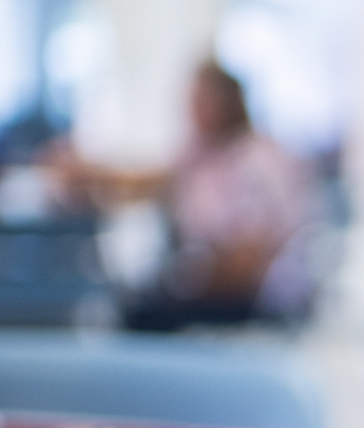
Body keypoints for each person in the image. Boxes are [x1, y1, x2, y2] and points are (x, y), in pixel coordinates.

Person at [48, 62, 310, 329]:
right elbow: (146, 183)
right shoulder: (200, 156)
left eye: (201, 102)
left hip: (255, 301)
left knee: (145, 318)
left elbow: (246, 264)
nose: (193, 112)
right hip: (206, 285)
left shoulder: (259, 161)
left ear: (229, 103)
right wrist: (89, 175)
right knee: (126, 307)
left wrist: (185, 282)